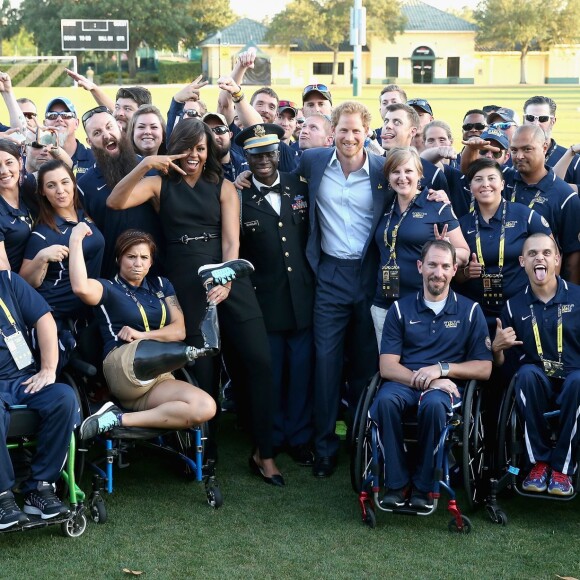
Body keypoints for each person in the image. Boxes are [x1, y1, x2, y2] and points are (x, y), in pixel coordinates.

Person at [106, 119, 284, 485]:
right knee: (203, 370)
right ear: (176, 147)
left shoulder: (224, 185)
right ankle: (205, 450)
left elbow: (233, 243)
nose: (194, 155)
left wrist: (228, 277)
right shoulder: (158, 183)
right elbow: (115, 201)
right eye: (187, 148)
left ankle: (264, 452)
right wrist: (144, 164)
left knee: (259, 361)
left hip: (227, 279)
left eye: (201, 149)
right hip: (186, 284)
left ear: (209, 152)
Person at [295, 101, 392, 477]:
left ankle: (363, 438)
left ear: (367, 133)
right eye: (343, 129)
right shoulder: (313, 162)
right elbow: (277, 174)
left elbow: (417, 183)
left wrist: (440, 198)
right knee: (326, 362)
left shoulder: (384, 169)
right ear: (332, 130)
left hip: (370, 273)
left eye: (357, 130)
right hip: (329, 274)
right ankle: (324, 447)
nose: (349, 137)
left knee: (367, 364)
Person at [370, 240, 492, 509]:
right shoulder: (400, 309)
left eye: (445, 266)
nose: (438, 272)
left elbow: (484, 368)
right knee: (384, 402)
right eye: (432, 265)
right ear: (420, 267)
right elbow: (387, 367)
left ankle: (425, 487)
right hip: (403, 382)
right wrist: (427, 379)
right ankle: (397, 483)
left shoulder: (470, 311)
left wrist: (442, 370)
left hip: (446, 389)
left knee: (435, 405)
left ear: (453, 270)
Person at [68, 225, 216, 436]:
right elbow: (80, 288)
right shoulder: (108, 288)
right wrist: (75, 239)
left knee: (205, 406)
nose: (138, 263)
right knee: (159, 351)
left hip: (157, 374)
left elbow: (179, 331)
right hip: (122, 365)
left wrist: (142, 335)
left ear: (151, 261)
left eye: (144, 257)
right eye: (131, 256)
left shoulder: (162, 285)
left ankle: (116, 418)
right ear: (119, 259)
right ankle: (194, 352)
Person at [236, 123, 315, 466]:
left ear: (278, 153)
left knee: (301, 373)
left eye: (268, 153)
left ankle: (299, 438)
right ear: (247, 158)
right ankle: (273, 436)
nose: (263, 160)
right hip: (264, 301)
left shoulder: (300, 185)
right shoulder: (237, 197)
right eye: (255, 154)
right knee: (271, 374)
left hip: (302, 298)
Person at [492, 233, 580, 496]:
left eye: (545, 253)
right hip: (536, 383)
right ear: (522, 261)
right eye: (532, 254)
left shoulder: (578, 297)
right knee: (526, 374)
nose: (538, 258)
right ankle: (539, 463)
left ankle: (562, 469)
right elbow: (502, 365)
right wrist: (497, 348)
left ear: (557, 259)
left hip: (574, 378)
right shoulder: (512, 306)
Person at [0, 269, 79, 528]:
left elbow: (45, 318)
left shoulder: (7, 281)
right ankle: (3, 497)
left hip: (21, 378)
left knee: (63, 398)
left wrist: (48, 369)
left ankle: (39, 489)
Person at [371, 147, 469, 345]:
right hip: (384, 303)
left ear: (420, 174)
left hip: (422, 304)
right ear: (388, 176)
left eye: (408, 171)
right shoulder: (383, 204)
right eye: (396, 172)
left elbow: (465, 254)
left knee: (420, 367)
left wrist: (445, 250)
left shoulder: (437, 206)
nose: (402, 177)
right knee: (389, 366)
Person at [19, 161, 104, 369]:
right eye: (51, 185)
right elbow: (22, 281)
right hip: (58, 315)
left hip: (88, 309)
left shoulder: (85, 214)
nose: (60, 190)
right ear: (43, 192)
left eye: (65, 182)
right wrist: (41, 257)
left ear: (74, 183)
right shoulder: (44, 233)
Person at [456, 159, 551, 325]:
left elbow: (552, 255)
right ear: (470, 188)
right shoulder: (461, 225)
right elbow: (453, 275)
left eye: (492, 178)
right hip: (478, 312)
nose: (485, 184)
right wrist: (465, 273)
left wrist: (546, 297)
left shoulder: (525, 215)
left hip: (522, 308)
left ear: (502, 184)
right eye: (478, 179)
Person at [77, 106, 164, 278]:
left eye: (109, 127)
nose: (106, 135)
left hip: (159, 272)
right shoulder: (84, 185)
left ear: (119, 127)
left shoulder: (152, 168)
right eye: (97, 133)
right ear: (89, 142)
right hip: (113, 277)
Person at [522, 95, 580, 185]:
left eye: (543, 119)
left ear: (553, 121)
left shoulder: (574, 161)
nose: (536, 124)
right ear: (524, 119)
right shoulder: (510, 156)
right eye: (530, 118)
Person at [0, 139, 35, 271]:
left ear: (20, 162)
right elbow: (5, 275)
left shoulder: (31, 189)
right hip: (15, 286)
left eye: (9, 162)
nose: (4, 171)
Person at [43, 97, 94, 177]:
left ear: (76, 123)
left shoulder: (94, 158)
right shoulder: (39, 157)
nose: (59, 119)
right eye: (52, 115)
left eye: (66, 115)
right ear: (45, 124)